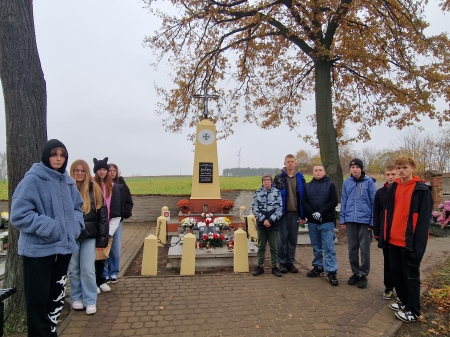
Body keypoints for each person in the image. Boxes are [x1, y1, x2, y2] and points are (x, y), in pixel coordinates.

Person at [10, 139, 84, 336]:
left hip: (64, 249)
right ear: (46, 155)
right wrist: (50, 227)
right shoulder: (32, 180)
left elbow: (78, 208)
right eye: (54, 154)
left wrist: (75, 226)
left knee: (56, 298)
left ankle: (51, 333)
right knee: (38, 301)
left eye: (62, 155)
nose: (58, 158)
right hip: (39, 252)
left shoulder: (68, 182)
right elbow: (18, 214)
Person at [384, 155, 432, 323]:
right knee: (397, 275)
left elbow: (424, 221)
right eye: (398, 168)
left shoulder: (421, 190)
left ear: (413, 168)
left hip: (410, 242)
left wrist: (418, 247)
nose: (401, 170)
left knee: (411, 277)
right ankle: (404, 302)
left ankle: (414, 310)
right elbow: (388, 214)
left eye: (404, 167)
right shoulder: (394, 188)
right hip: (393, 240)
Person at [68, 160, 109, 315]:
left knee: (87, 268)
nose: (79, 173)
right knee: (73, 269)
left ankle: (90, 299)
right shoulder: (66, 189)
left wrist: (102, 239)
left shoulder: (94, 189)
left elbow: (102, 216)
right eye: (76, 171)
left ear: (87, 173)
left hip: (89, 235)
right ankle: (76, 297)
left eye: (82, 171)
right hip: (72, 235)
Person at [340, 158, 376, 289]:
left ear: (361, 168)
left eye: (357, 167)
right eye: (352, 167)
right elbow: (343, 201)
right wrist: (343, 219)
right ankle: (355, 273)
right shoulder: (347, 183)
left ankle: (363, 275)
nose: (354, 169)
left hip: (365, 221)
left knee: (365, 250)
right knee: (352, 249)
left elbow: (374, 203)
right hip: (350, 221)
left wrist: (372, 222)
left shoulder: (369, 183)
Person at [302, 165, 339, 286]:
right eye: (316, 171)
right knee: (316, 246)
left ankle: (331, 271)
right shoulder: (308, 186)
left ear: (324, 172)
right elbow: (304, 202)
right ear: (312, 173)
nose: (318, 172)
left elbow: (333, 201)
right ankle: (318, 266)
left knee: (328, 247)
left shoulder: (330, 185)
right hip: (313, 222)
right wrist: (312, 213)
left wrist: (321, 212)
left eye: (320, 170)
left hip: (326, 221)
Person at [92, 157, 122, 293]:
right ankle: (95, 281)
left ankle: (102, 279)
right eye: (100, 169)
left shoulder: (114, 187)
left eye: (104, 169)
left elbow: (116, 209)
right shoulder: (91, 185)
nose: (102, 172)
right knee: (93, 254)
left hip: (108, 224)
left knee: (104, 253)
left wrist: (110, 229)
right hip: (94, 224)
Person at [273, 154, 306, 273]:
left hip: (296, 213)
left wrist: (304, 215)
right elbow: (273, 197)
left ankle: (290, 262)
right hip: (283, 214)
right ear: (285, 163)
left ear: (295, 163)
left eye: (292, 161)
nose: (290, 163)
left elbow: (304, 197)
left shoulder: (301, 178)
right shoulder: (278, 178)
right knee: (282, 239)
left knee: (292, 239)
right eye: (288, 161)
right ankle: (282, 263)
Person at [103, 163, 133, 283]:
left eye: (114, 170)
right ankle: (104, 272)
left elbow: (128, 201)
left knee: (115, 247)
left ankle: (113, 272)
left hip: (117, 221)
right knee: (104, 247)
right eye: (109, 170)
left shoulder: (122, 186)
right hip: (103, 221)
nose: (112, 172)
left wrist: (125, 213)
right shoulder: (100, 185)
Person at [373, 164, 398, 300]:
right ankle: (388, 287)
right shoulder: (380, 193)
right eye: (388, 174)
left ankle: (401, 289)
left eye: (393, 174)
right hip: (385, 233)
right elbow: (376, 212)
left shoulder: (401, 191)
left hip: (399, 234)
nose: (390, 177)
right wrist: (377, 232)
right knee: (388, 261)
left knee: (399, 263)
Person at [251, 173, 284, 277]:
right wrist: (263, 219)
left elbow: (279, 209)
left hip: (273, 225)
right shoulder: (257, 193)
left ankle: (274, 267)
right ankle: (260, 266)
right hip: (261, 224)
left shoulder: (276, 192)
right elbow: (254, 208)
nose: (266, 181)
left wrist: (270, 220)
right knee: (261, 247)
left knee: (274, 247)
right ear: (262, 181)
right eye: (264, 180)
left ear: (271, 181)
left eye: (268, 180)